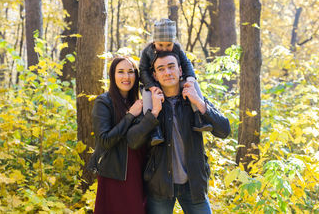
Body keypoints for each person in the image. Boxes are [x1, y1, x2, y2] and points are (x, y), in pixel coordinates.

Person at [127, 51, 231, 214]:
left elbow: (224, 130)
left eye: (171, 67)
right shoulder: (150, 104)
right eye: (161, 69)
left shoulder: (194, 100)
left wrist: (200, 102)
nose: (167, 72)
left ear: (180, 70)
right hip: (160, 186)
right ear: (154, 75)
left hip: (194, 184)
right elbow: (133, 141)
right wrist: (154, 112)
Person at [87, 56, 160, 214]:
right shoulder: (103, 102)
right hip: (115, 173)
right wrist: (130, 116)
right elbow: (105, 140)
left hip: (139, 171)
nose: (126, 77)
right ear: (113, 75)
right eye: (120, 72)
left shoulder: (140, 101)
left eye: (130, 72)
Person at [139, 18, 212, 146]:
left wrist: (190, 79)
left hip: (176, 79)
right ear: (154, 41)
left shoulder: (177, 49)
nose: (165, 48)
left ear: (173, 42)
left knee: (193, 86)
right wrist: (151, 87)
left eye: (168, 45)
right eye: (160, 45)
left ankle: (198, 116)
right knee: (147, 97)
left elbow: (186, 63)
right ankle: (154, 130)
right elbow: (143, 70)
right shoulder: (147, 52)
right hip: (152, 82)